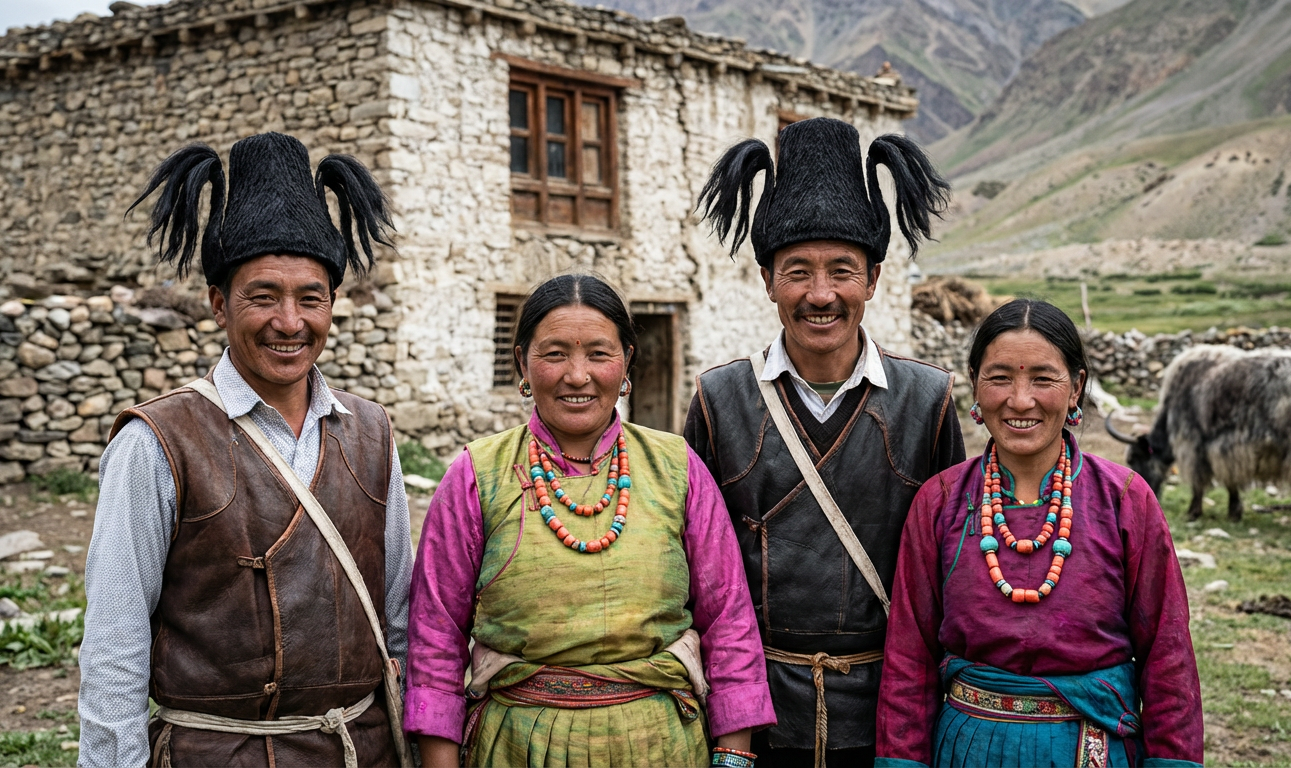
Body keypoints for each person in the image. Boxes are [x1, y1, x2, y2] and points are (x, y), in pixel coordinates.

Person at [78, 133, 413, 767]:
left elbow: (400, 621)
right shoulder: (158, 442)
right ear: (218, 303)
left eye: (311, 297)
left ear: (333, 304)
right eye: (263, 296)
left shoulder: (372, 434)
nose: (290, 322)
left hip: (359, 754)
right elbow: (114, 650)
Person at [405, 273, 775, 768]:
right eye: (554, 353)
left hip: (661, 746)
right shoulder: (477, 474)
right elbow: (436, 636)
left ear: (626, 365)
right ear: (522, 363)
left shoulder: (677, 467)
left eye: (599, 354)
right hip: (517, 748)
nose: (577, 375)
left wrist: (733, 757)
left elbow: (729, 620)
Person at [686, 117, 964, 767]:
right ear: (766, 280)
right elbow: (692, 571)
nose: (820, 294)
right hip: (754, 719)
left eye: (841, 271)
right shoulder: (718, 400)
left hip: (890, 718)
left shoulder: (927, 402)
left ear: (872, 279)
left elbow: (951, 569)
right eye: (797, 271)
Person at [874, 299, 1203, 768]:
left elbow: (1168, 656)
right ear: (974, 383)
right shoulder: (941, 501)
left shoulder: (1126, 499)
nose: (1020, 400)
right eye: (1000, 377)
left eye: (1043, 379)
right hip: (968, 752)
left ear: (1077, 388)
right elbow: (909, 658)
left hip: (1091, 752)